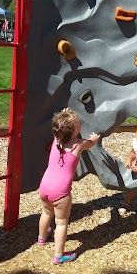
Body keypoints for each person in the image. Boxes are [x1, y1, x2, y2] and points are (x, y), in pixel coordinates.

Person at [38, 108, 100, 264]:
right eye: (78, 123)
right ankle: (58, 256)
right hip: (60, 193)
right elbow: (91, 144)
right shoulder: (78, 144)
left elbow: (60, 126)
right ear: (74, 132)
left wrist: (64, 114)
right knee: (61, 222)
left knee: (46, 213)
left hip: (44, 187)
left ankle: (41, 239)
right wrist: (94, 138)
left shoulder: (56, 139)